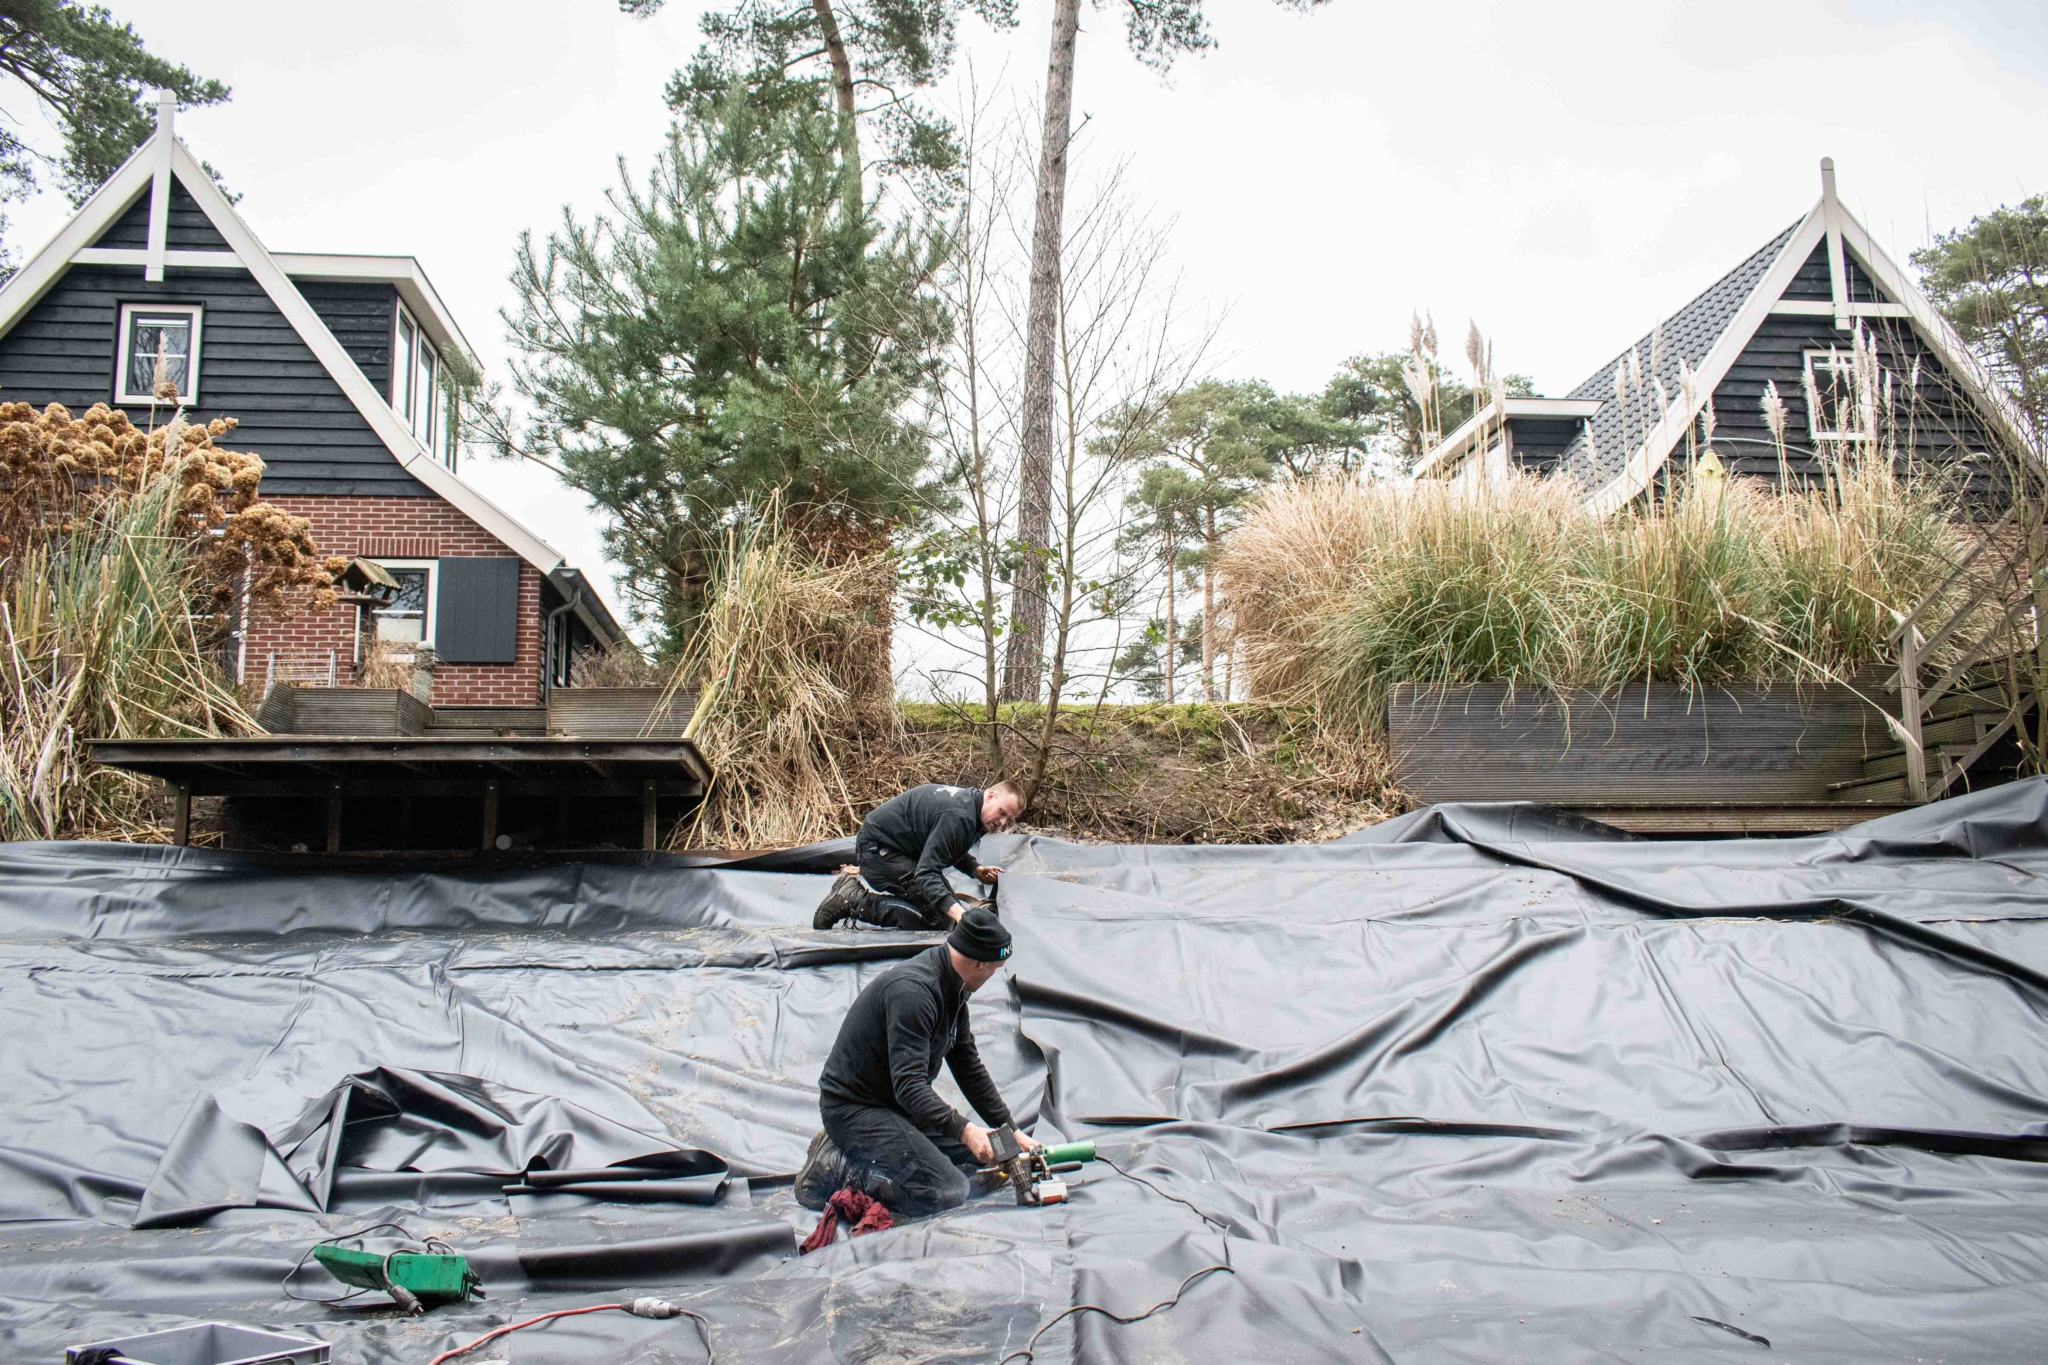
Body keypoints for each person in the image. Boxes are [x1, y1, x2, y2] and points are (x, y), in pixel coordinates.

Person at [798, 907, 1037, 1217]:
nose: (994, 975)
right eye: (995, 967)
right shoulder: (914, 993)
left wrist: (1009, 1129)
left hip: (897, 1109)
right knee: (946, 1190)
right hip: (853, 1110)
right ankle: (835, 1165)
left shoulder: (954, 987)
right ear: (979, 962)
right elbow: (909, 1088)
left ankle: (897, 1153)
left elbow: (968, 1066)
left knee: (982, 1158)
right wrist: (966, 1131)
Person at [813, 781, 1025, 931]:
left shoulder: (972, 807)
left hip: (898, 851)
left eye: (1009, 818)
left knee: (945, 906)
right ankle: (854, 899)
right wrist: (960, 915)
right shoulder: (959, 817)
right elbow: (926, 874)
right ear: (990, 796)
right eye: (1002, 812)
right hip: (878, 854)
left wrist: (974, 869)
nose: (1003, 822)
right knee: (941, 919)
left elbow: (946, 844)